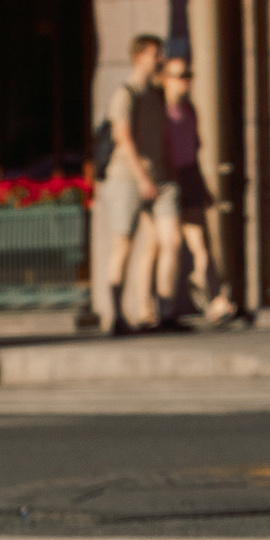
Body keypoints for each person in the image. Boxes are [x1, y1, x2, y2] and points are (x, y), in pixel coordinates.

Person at [91, 32, 166, 339]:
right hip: (126, 177)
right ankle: (116, 316)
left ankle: (148, 311)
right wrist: (142, 177)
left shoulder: (154, 93)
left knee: (157, 242)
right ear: (139, 57)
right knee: (123, 245)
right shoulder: (126, 93)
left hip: (151, 177)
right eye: (155, 54)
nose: (159, 59)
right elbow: (123, 136)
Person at [151, 47, 231, 327]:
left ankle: (215, 299)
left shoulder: (188, 109)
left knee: (201, 244)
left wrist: (203, 185)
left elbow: (194, 149)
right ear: (165, 79)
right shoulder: (158, 110)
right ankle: (162, 308)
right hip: (166, 180)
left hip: (189, 176)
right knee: (165, 245)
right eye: (180, 76)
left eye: (189, 75)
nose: (185, 81)